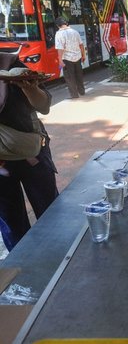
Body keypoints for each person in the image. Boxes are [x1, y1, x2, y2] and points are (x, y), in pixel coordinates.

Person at [0, 51, 58, 250]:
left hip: (32, 154)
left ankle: (60, 257)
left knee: (51, 213)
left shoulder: (10, 63)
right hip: (1, 166)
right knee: (12, 224)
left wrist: (30, 88)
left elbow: (44, 106)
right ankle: (24, 271)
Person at [54, 17, 86, 99]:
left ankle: (74, 95)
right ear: (66, 23)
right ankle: (82, 91)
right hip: (78, 58)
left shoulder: (59, 34)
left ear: (58, 25)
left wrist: (60, 60)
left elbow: (60, 48)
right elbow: (81, 45)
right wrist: (83, 55)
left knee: (70, 78)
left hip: (67, 59)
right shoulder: (74, 32)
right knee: (79, 75)